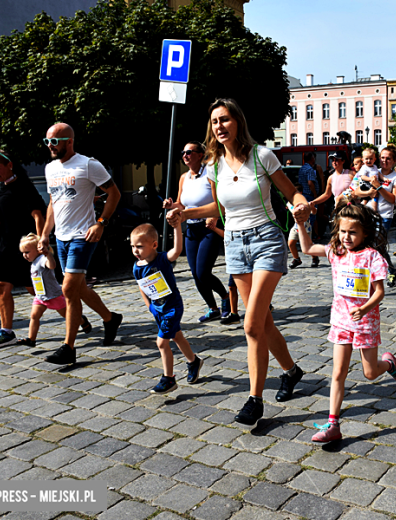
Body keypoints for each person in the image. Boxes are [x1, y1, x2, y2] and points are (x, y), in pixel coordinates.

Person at [166, 98, 309, 425]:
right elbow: (218, 208)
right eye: (215, 122)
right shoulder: (214, 166)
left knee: (250, 324)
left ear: (238, 122)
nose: (220, 126)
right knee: (263, 323)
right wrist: (184, 213)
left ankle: (254, 399)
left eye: (225, 120)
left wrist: (301, 207)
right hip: (234, 244)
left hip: (267, 240)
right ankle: (291, 371)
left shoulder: (262, 156)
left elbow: (292, 193)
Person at [296, 197, 396, 443]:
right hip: (341, 321)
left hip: (366, 322)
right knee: (338, 373)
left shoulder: (372, 257)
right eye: (343, 231)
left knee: (369, 373)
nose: (346, 237)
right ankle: (333, 424)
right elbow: (307, 249)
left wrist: (364, 308)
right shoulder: (336, 251)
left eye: (352, 232)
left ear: (364, 233)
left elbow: (380, 292)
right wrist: (301, 225)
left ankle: (388, 363)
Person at [39, 123, 123, 365]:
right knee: (78, 288)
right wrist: (45, 233)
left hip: (83, 236)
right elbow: (53, 202)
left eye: (55, 141)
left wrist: (101, 223)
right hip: (61, 237)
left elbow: (114, 193)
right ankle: (110, 318)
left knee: (67, 289)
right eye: (47, 142)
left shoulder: (88, 164)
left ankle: (68, 347)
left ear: (69, 141)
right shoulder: (50, 168)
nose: (50, 146)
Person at [0, 150, 48, 349]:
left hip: (26, 247)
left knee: (38, 290)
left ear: (9, 165)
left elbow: (38, 216)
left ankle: (75, 316)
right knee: (1, 286)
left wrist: (39, 242)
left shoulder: (24, 187)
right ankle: (6, 332)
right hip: (6, 245)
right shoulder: (3, 186)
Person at [131, 222, 202, 394]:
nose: (135, 250)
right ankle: (194, 362)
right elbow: (142, 287)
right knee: (177, 337)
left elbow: (177, 250)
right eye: (132, 246)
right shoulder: (137, 267)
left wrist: (177, 226)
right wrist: (150, 307)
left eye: (139, 246)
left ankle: (168, 378)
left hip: (172, 308)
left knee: (162, 342)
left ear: (154, 245)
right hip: (158, 309)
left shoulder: (162, 259)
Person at [163, 141, 230, 322]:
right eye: (183, 152)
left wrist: (214, 217)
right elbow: (182, 204)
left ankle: (225, 297)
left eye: (189, 152)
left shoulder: (210, 173)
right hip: (191, 229)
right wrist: (172, 205)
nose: (185, 155)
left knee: (203, 272)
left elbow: (219, 203)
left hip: (209, 228)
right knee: (195, 274)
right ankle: (212, 308)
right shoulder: (184, 178)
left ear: (200, 155)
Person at [16, 233, 91, 347]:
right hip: (40, 297)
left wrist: (48, 255)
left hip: (53, 296)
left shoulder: (42, 259)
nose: (24, 255)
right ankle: (31, 339)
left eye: (27, 252)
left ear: (37, 250)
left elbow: (52, 265)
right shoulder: (34, 262)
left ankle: (82, 321)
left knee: (67, 315)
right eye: (23, 253)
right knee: (34, 316)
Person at [351, 147, 396, 286]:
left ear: (394, 160)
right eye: (383, 157)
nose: (384, 160)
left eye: (388, 158)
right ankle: (375, 275)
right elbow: (355, 192)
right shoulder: (372, 170)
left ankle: (385, 273)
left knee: (377, 246)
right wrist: (369, 192)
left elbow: (393, 199)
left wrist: (378, 187)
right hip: (367, 214)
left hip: (384, 216)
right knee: (368, 246)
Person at [297, 152, 320, 265]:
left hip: (303, 195)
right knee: (312, 218)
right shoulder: (310, 169)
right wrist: (315, 195)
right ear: (312, 158)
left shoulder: (302, 169)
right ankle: (313, 237)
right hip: (309, 196)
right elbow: (310, 183)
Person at [289, 184, 317, 268]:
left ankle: (315, 257)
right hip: (295, 226)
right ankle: (296, 259)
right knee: (290, 243)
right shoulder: (289, 203)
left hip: (306, 227)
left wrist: (312, 207)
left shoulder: (305, 203)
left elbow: (314, 212)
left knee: (307, 246)